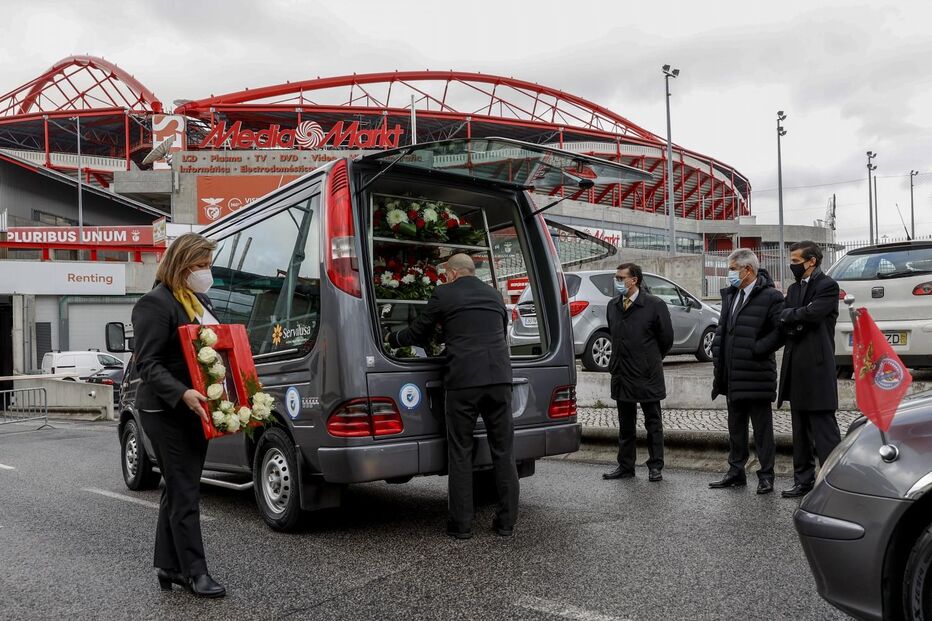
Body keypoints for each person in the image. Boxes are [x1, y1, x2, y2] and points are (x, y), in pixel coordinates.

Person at [387, 253, 517, 539]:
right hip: (499, 378)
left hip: (464, 381)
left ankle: (461, 525)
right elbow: (495, 331)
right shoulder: (495, 295)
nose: (444, 278)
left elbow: (419, 332)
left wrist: (392, 338)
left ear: (454, 273)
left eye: (445, 274)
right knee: (504, 451)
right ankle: (506, 522)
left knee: (461, 452)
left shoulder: (445, 294)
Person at [131, 233, 226, 598]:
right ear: (181, 265)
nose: (206, 272)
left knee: (178, 487)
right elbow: (148, 364)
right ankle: (195, 572)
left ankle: (168, 566)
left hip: (197, 406)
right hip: (167, 409)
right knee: (185, 490)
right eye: (200, 265)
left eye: (208, 265)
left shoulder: (199, 301)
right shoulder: (154, 304)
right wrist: (182, 392)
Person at [708, 249, 784, 494]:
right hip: (732, 373)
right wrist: (718, 356)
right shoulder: (731, 295)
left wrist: (757, 348)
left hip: (756, 373)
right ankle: (736, 471)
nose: (729, 274)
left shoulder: (771, 296)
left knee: (762, 430)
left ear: (748, 270)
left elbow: (780, 332)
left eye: (732, 269)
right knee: (735, 427)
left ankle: (766, 475)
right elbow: (723, 329)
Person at [778, 240, 841, 499]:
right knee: (800, 431)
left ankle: (834, 482)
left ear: (811, 261)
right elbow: (783, 317)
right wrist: (797, 317)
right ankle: (803, 481)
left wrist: (794, 316)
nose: (791, 265)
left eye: (796, 261)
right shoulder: (794, 288)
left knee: (824, 431)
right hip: (796, 368)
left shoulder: (827, 285)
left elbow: (813, 315)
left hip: (817, 367)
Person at [602, 263, 674, 482]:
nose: (616, 281)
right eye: (616, 277)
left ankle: (655, 466)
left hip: (646, 374)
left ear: (634, 280)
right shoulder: (613, 305)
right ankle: (625, 466)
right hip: (621, 373)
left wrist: (648, 359)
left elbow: (666, 339)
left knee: (653, 422)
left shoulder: (655, 305)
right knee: (625, 424)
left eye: (620, 278)